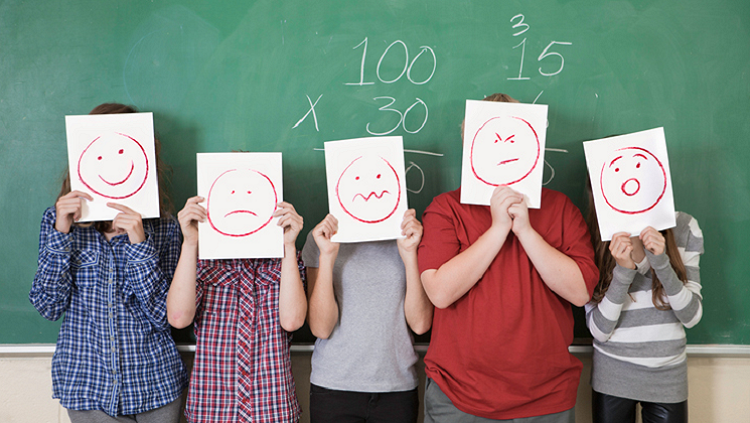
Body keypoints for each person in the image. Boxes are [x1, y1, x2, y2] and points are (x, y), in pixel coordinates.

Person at [417, 93, 599, 422]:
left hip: (547, 398)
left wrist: (527, 231)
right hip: (458, 397)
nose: (503, 147)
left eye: (515, 136)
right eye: (490, 138)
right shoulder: (446, 208)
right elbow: (440, 292)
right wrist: (498, 229)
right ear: (470, 144)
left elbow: (579, 291)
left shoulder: (560, 209)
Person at [29, 103, 188, 422]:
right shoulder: (57, 222)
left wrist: (139, 243)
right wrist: (62, 230)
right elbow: (48, 305)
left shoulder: (165, 227)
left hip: (153, 385)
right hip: (88, 387)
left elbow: (164, 316)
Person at [167, 196, 307, 423]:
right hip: (212, 408)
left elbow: (292, 321)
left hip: (271, 407)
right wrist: (190, 242)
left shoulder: (285, 260)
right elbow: (178, 318)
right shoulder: (202, 260)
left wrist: (289, 245)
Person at [584, 182, 704, 423]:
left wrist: (661, 263)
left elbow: (691, 316)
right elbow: (599, 330)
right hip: (613, 374)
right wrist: (623, 271)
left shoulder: (684, 226)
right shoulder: (596, 234)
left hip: (668, 375)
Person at [303, 209, 433, 423]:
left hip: (396, 388)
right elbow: (321, 327)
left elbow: (420, 324)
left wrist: (410, 255)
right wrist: (326, 256)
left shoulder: (410, 236)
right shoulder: (321, 236)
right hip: (334, 388)